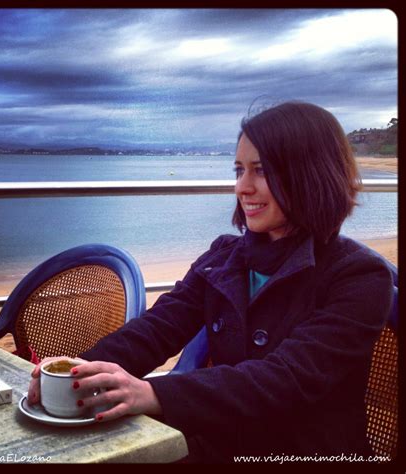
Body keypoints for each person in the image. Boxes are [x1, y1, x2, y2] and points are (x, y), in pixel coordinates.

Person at [27, 101, 393, 462]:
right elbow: (158, 327)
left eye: (261, 170)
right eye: (239, 171)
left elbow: (287, 378)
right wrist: (77, 374)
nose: (242, 188)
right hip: (218, 446)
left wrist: (154, 393)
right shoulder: (225, 257)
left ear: (310, 174)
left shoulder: (359, 276)